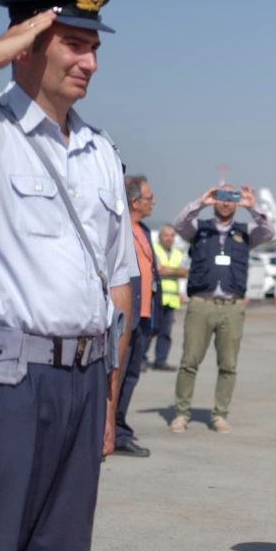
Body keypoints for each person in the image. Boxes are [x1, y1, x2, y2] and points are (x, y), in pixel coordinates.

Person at [0, 0, 135, 551]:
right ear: (28, 45)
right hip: (6, 384)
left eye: (95, 47)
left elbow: (116, 285)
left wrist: (109, 401)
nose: (91, 62)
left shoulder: (100, 152)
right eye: (74, 44)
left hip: (85, 381)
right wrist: (0, 50)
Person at [170, 184, 274, 434]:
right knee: (189, 361)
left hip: (232, 306)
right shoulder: (199, 229)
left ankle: (220, 414)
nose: (226, 202)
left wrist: (253, 208)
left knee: (228, 364)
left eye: (232, 198)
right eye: (221, 197)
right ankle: (182, 413)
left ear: (237, 203)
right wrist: (201, 202)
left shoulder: (246, 231)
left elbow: (270, 231)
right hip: (201, 304)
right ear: (214, 200)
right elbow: (179, 223)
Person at [114, 174, 159, 457]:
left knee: (130, 377)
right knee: (115, 378)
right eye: (148, 197)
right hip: (124, 318)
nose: (153, 202)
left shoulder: (144, 231)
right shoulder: (119, 231)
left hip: (143, 316)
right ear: (134, 201)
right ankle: (108, 431)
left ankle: (118, 431)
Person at [150, 223, 186, 370]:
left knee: (166, 332)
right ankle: (141, 359)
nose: (169, 238)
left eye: (172, 236)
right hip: (155, 297)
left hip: (171, 300)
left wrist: (168, 270)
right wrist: (175, 271)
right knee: (150, 330)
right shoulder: (154, 250)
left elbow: (185, 272)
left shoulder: (178, 253)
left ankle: (161, 361)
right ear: (160, 237)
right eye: (166, 235)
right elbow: (157, 270)